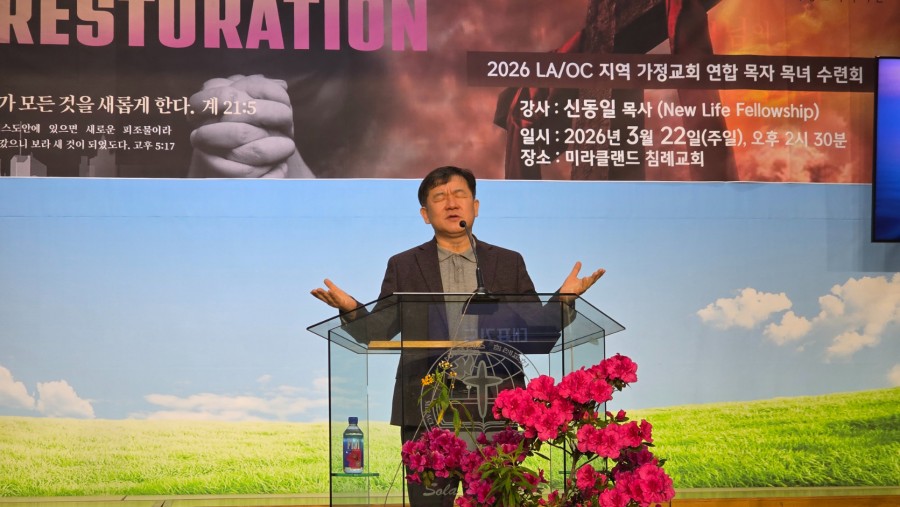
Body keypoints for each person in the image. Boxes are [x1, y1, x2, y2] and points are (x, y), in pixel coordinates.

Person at [310, 165, 604, 506]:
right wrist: (351, 308)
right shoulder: (404, 265)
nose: (451, 203)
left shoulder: (507, 262)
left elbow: (537, 330)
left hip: (495, 409)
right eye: (440, 197)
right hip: (428, 409)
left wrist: (562, 301)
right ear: (425, 214)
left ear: (475, 207)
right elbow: (379, 329)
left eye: (459, 195)